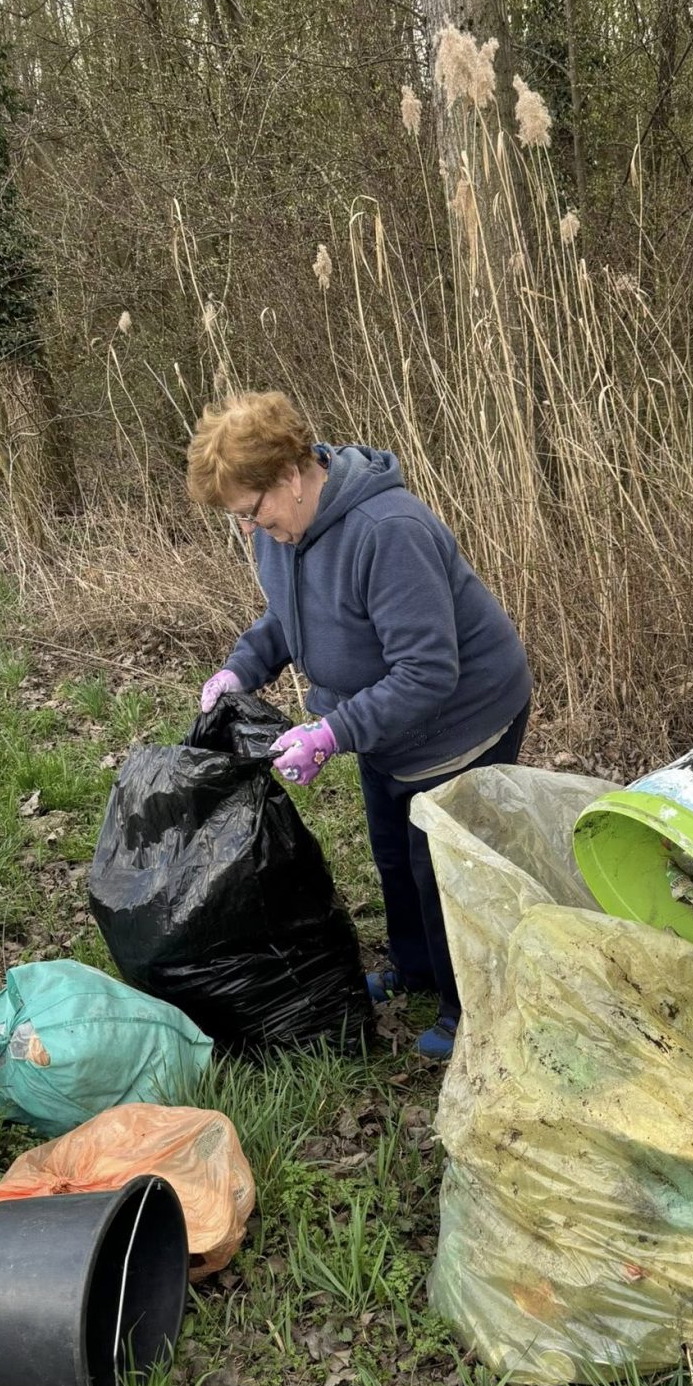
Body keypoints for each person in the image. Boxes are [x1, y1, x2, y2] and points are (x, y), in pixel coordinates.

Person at [187, 390, 532, 1061]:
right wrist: (241, 669)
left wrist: (333, 732)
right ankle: (416, 970)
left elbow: (428, 671)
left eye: (251, 511)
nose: (249, 529)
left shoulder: (387, 531)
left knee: (442, 873)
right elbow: (289, 616)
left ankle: (466, 1009)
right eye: (237, 518)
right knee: (393, 854)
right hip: (388, 727)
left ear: (291, 476)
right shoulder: (284, 533)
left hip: (462, 721)